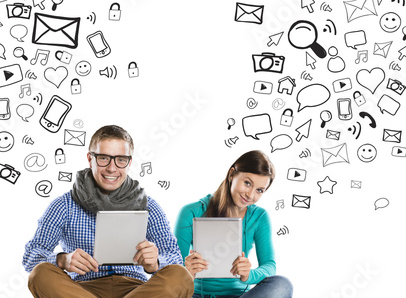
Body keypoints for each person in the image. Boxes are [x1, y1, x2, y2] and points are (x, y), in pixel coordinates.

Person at [23, 125, 193, 298]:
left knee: (181, 276)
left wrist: (155, 263)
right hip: (82, 291)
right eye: (104, 158)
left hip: (137, 291)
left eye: (120, 159)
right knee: (40, 274)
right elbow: (31, 256)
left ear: (129, 162)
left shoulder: (149, 206)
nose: (112, 168)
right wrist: (62, 259)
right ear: (90, 159)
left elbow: (175, 258)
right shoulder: (64, 205)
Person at [174, 150, 293, 298]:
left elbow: (269, 266)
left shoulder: (259, 217)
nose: (250, 195)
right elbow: (173, 267)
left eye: (259, 190)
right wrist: (187, 271)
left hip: (240, 296)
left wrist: (249, 274)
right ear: (232, 174)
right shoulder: (191, 212)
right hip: (198, 295)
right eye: (247, 183)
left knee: (282, 285)